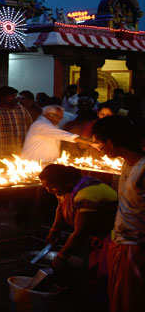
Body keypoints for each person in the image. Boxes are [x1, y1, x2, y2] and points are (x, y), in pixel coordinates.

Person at [92, 116, 145, 312]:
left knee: (131, 300)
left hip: (136, 246)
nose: (99, 148)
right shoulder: (127, 164)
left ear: (112, 142)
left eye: (100, 142)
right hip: (121, 241)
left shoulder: (142, 169)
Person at [39, 164, 117, 284]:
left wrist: (61, 256)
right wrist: (54, 230)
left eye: (51, 187)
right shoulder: (64, 189)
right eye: (46, 187)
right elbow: (60, 208)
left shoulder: (88, 193)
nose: (48, 191)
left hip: (110, 239)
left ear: (65, 182)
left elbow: (81, 231)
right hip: (92, 236)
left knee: (101, 278)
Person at [21, 105, 98, 164]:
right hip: (34, 162)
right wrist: (90, 142)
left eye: (61, 117)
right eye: (58, 117)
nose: (60, 120)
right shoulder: (41, 124)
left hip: (45, 162)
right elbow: (64, 135)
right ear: (49, 115)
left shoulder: (52, 125)